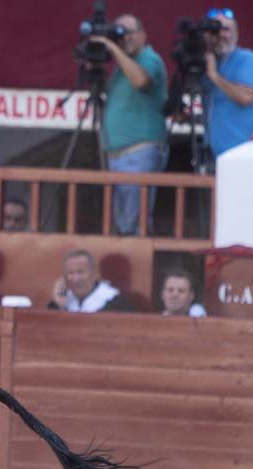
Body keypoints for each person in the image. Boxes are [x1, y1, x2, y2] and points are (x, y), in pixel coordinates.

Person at [95, 13, 168, 235]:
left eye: (129, 33)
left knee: (135, 225)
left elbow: (141, 81)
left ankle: (138, 266)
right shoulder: (122, 67)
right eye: (120, 33)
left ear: (143, 35)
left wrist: (112, 48)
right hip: (117, 156)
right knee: (121, 225)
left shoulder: (149, 58)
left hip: (139, 152)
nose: (124, 38)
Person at [204, 8, 253, 159]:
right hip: (214, 154)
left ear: (236, 34)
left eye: (226, 29)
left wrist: (215, 76)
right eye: (216, 30)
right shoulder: (210, 62)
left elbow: (246, 97)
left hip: (243, 153)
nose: (221, 35)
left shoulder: (246, 59)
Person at [47, 249, 133, 313]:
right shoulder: (61, 300)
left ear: (94, 274)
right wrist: (59, 306)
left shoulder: (116, 302)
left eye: (81, 272)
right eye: (70, 273)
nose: (75, 279)